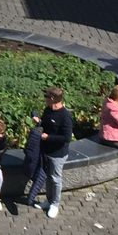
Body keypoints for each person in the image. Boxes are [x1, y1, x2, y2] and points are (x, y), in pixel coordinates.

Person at [25, 86, 73, 219]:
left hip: (58, 154)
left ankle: (55, 204)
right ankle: (49, 200)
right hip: (46, 151)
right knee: (48, 177)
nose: (44, 99)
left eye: (46, 97)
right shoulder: (48, 110)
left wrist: (48, 137)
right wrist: (39, 122)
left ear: (52, 99)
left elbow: (66, 138)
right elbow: (46, 125)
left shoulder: (65, 116)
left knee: (55, 178)